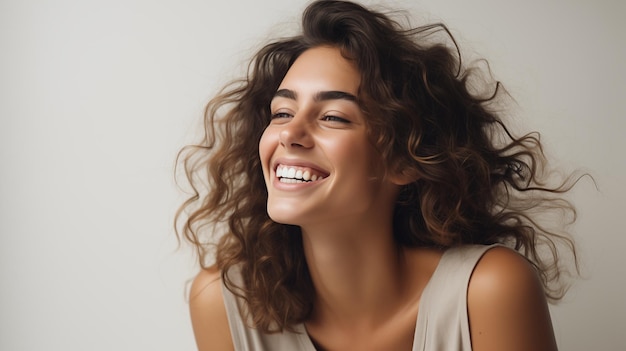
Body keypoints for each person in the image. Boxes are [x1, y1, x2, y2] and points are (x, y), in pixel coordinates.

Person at [176, 1, 581, 350]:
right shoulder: (222, 302)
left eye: (333, 117)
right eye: (282, 113)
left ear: (405, 159)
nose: (290, 134)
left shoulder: (490, 291)